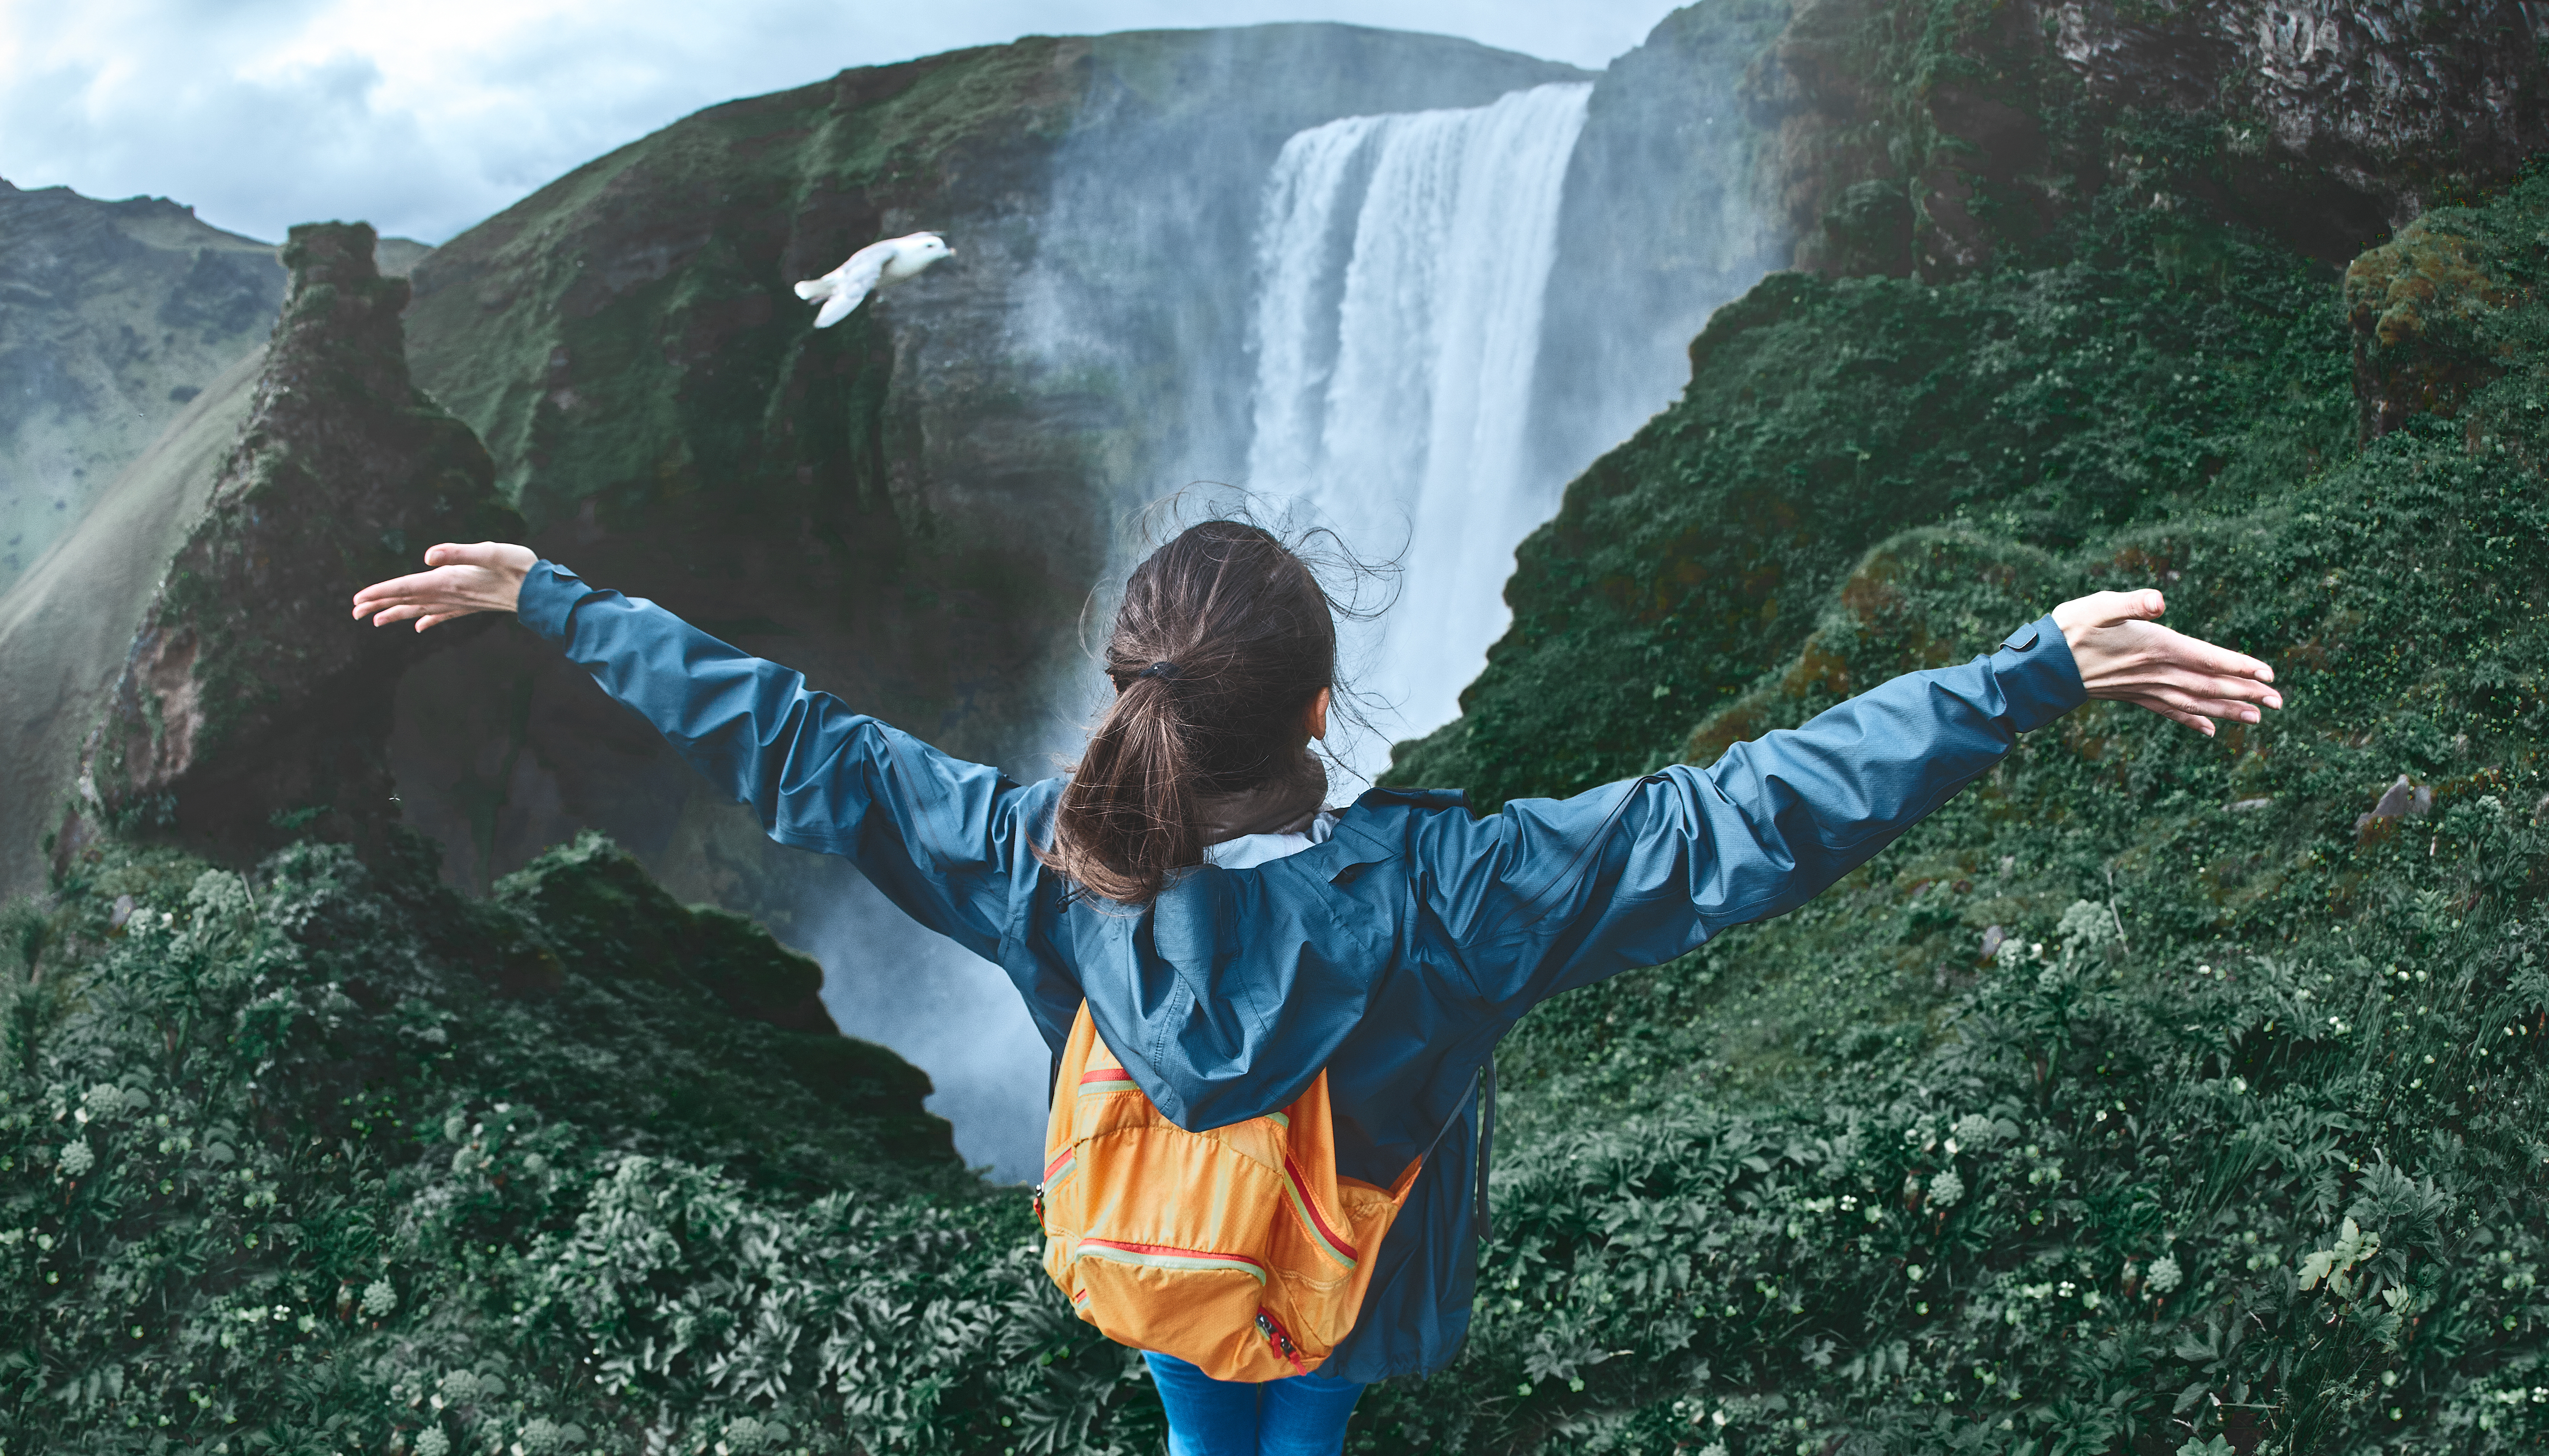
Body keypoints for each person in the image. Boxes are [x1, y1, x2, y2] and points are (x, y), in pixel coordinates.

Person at [352, 527, 2280, 1455]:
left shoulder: (1054, 866)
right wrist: (2027, 665)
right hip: (1345, 1265)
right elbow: (1732, 820)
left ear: (1138, 706)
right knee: (1314, 1379)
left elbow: (808, 750)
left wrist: (561, 600)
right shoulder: (1451, 892)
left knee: (1209, 1404)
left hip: (1170, 1264)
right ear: (1316, 712)